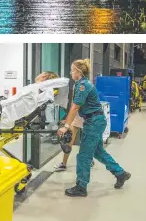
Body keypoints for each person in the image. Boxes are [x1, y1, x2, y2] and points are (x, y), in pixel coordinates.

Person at [56, 59, 131, 197]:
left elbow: (75, 106)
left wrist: (66, 126)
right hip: (93, 121)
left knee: (84, 156)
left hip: (93, 122)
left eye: (72, 70)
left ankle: (81, 187)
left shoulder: (83, 85)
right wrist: (67, 119)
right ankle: (120, 173)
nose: (71, 72)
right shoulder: (81, 84)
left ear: (78, 71)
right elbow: (76, 108)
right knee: (98, 152)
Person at [34, 72, 92, 173]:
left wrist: (67, 121)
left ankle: (69, 163)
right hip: (77, 113)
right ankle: (72, 162)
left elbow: (73, 106)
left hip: (81, 113)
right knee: (75, 138)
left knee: (74, 138)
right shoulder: (60, 86)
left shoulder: (61, 86)